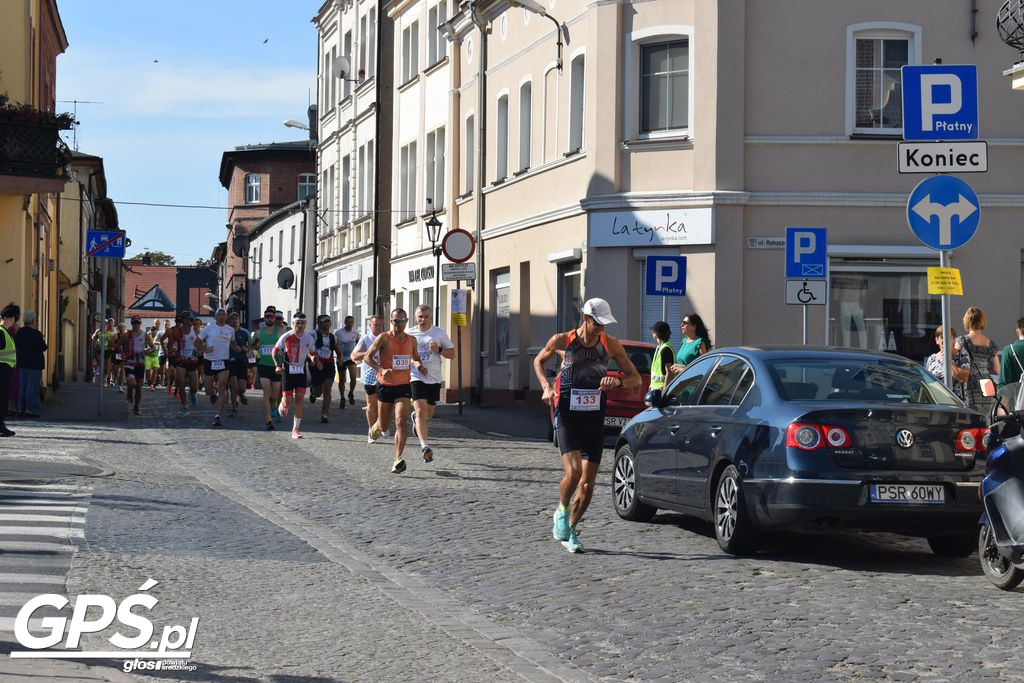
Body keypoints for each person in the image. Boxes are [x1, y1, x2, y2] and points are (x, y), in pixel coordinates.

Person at [533, 298, 641, 553]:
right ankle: (561, 509)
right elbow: (539, 361)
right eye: (597, 324)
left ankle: (570, 529)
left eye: (605, 324)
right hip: (568, 416)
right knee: (573, 474)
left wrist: (617, 383)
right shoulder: (563, 340)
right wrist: (546, 387)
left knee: (588, 485)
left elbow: (634, 377)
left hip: (594, 418)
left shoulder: (610, 344)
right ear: (585, 318)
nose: (601, 329)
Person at [363, 309, 424, 473]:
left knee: (400, 422)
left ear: (406, 321)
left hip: (403, 386)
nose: (400, 323)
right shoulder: (383, 338)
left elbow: (416, 357)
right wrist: (381, 369)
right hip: (385, 385)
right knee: (383, 426)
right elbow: (367, 357)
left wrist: (419, 365)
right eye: (396, 320)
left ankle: (397, 459)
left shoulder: (411, 340)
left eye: (403, 320)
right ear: (391, 321)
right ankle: (374, 428)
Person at [409, 305, 455, 463]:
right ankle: (424, 446)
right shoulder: (409, 333)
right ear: (415, 317)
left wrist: (439, 349)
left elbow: (452, 354)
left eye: (426, 317)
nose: (423, 319)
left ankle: (416, 421)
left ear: (431, 318)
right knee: (421, 412)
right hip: (416, 377)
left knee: (427, 415)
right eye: (420, 316)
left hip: (434, 379)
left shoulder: (439, 333)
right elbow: (402, 354)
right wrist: (416, 365)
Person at [272, 312, 317, 438]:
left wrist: (314, 359)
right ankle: (282, 405)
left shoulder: (309, 338)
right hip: (288, 372)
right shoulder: (286, 336)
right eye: (297, 323)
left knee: (300, 400)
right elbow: (275, 351)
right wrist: (277, 365)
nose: (300, 326)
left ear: (306, 324)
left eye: (302, 323)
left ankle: (295, 430)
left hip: (301, 372)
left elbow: (312, 353)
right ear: (292, 324)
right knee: (287, 401)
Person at [956, 307, 1001, 416]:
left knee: (971, 422)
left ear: (967, 321)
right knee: (986, 422)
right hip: (986, 387)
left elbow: (955, 362)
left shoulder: (961, 341)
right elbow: (997, 369)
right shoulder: (991, 344)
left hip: (968, 387)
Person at [196, 308, 235, 426]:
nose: (222, 316)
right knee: (208, 390)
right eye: (220, 314)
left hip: (224, 360)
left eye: (224, 314)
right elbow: (196, 342)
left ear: (226, 317)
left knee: (222, 386)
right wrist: (204, 349)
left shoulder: (230, 330)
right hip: (210, 360)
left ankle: (218, 415)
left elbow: (232, 343)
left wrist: (238, 348)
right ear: (215, 317)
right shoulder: (209, 328)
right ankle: (212, 394)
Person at [352, 315, 384, 444]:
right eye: (375, 325)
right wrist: (369, 352)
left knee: (385, 404)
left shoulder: (387, 337)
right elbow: (354, 356)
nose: (378, 327)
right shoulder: (366, 338)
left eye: (380, 325)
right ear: (370, 326)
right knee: (371, 405)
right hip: (370, 375)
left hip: (385, 375)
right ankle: (371, 430)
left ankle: (380, 425)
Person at [253, 306, 286, 429]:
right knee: (266, 392)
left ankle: (274, 407)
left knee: (275, 394)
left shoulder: (280, 331)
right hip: (264, 365)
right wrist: (254, 348)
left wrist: (283, 353)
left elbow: (285, 346)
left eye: (271, 317)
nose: (269, 318)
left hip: (276, 365)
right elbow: (253, 346)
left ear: (274, 318)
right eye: (267, 316)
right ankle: (268, 420)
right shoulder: (258, 332)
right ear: (264, 318)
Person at [163, 314, 200, 414]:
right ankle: (184, 406)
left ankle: (192, 393)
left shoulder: (196, 331)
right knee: (181, 384)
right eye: (190, 319)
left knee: (194, 387)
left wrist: (200, 350)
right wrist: (171, 351)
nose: (192, 321)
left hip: (192, 361)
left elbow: (201, 343)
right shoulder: (177, 332)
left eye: (193, 319)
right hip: (180, 361)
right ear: (184, 320)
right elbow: (169, 344)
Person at [13, 311, 47, 418]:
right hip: (34, 364)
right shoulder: (36, 333)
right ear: (33, 320)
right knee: (31, 387)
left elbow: (16, 344)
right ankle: (29, 409)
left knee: (23, 387)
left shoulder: (20, 332)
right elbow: (43, 347)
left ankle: (21, 409)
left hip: (22, 363)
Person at [122, 315, 154, 415]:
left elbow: (153, 347)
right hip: (129, 362)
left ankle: (136, 407)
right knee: (132, 383)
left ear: (140, 324)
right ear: (131, 324)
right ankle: (129, 391)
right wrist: (122, 353)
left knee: (139, 387)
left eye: (137, 322)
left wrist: (147, 350)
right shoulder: (127, 335)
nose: (136, 324)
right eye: (134, 323)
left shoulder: (144, 335)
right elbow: (118, 344)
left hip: (140, 362)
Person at [926, 326, 969, 400]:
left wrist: (948, 358)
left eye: (949, 337)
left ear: (954, 339)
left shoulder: (961, 355)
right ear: (937, 340)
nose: (945, 339)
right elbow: (927, 382)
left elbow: (963, 378)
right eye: (942, 337)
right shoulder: (932, 359)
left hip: (956, 403)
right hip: (937, 402)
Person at [309, 314, 337, 423]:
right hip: (315, 365)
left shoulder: (333, 337)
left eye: (328, 321)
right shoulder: (312, 335)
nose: (326, 324)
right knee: (318, 391)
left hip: (329, 365)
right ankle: (313, 392)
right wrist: (315, 360)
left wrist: (340, 358)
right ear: (318, 323)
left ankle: (325, 413)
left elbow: (337, 350)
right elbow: (308, 349)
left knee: (328, 387)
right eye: (324, 321)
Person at [669, 313, 711, 378]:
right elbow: (682, 363)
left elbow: (704, 367)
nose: (681, 324)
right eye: (682, 322)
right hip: (680, 382)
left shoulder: (700, 342)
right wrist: (675, 366)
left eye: (685, 323)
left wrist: (683, 370)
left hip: (692, 384)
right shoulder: (684, 341)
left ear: (693, 327)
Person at [226, 312, 251, 417]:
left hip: (242, 361)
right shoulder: (226, 332)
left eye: (236, 318)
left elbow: (250, 347)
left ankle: (241, 394)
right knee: (234, 384)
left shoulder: (245, 332)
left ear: (239, 321)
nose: (234, 320)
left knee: (242, 387)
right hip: (230, 361)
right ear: (229, 321)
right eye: (232, 319)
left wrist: (247, 349)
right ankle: (234, 408)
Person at [998, 317, 1024, 408]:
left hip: (1016, 407)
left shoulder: (1009, 350)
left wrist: (1001, 408)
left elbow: (1004, 383)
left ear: (1017, 332)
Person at [335, 316, 360, 408]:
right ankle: (342, 397)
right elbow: (336, 345)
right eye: (348, 322)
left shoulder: (356, 333)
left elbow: (358, 345)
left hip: (351, 358)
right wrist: (339, 357)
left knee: (353, 378)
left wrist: (358, 355)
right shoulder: (339, 333)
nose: (350, 324)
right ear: (345, 322)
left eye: (351, 322)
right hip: (341, 357)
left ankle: (351, 392)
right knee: (342, 380)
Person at [0, 304, 17, 436]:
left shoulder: (5, 332)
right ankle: (1, 426)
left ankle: (1, 425)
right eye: (13, 319)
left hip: (5, 371)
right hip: (2, 370)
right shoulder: (1, 332)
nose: (13, 322)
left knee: (3, 399)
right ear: (8, 318)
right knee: (2, 400)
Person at [648, 321, 674, 393]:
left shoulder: (665, 349)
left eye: (653, 331)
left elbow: (669, 372)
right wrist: (651, 385)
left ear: (657, 333)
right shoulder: (659, 348)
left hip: (661, 390)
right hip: (655, 389)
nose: (652, 332)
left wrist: (664, 393)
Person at [92, 318, 116, 386]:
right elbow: (93, 337)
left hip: (107, 350)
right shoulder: (98, 332)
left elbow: (113, 341)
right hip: (100, 349)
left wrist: (110, 341)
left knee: (107, 366)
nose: (104, 326)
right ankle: (100, 376)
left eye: (105, 325)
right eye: (103, 325)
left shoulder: (109, 333)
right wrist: (96, 342)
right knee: (100, 363)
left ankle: (105, 379)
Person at [111, 322, 127, 392]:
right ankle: (114, 378)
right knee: (115, 369)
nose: (122, 329)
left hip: (124, 354)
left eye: (123, 327)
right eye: (120, 327)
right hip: (117, 354)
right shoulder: (116, 336)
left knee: (122, 370)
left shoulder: (127, 336)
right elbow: (110, 343)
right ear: (118, 329)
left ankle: (121, 385)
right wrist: (116, 346)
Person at [144, 324, 161, 391]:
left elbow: (161, 343)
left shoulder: (158, 338)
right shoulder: (148, 338)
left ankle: (152, 385)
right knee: (148, 374)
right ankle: (150, 382)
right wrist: (145, 349)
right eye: (152, 331)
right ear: (150, 331)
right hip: (148, 357)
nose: (153, 332)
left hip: (155, 357)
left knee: (155, 370)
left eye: (155, 331)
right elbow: (144, 346)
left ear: (156, 331)